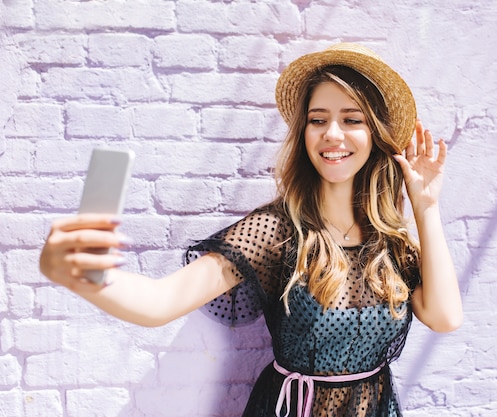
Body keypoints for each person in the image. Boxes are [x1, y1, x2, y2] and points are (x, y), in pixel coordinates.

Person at [40, 43, 463, 417]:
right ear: (304, 133)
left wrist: (425, 205)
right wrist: (84, 277)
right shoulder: (275, 231)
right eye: (318, 119)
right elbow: (160, 302)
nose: (332, 134)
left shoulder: (388, 243)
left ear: (374, 133)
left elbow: (445, 318)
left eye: (351, 119)